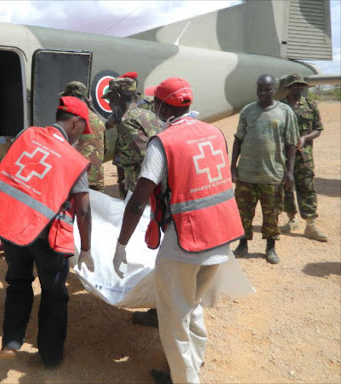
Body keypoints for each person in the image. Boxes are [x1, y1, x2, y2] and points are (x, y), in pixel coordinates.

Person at [113, 77, 244, 384]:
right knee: (192, 306)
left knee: (173, 315)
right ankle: (190, 367)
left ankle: (184, 380)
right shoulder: (214, 132)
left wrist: (121, 245)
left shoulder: (164, 142)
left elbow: (137, 201)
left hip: (186, 242)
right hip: (221, 236)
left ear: (160, 106)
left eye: (155, 103)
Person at [0, 96, 94, 368]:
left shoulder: (26, 135)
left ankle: (11, 343)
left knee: (18, 284)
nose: (80, 138)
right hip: (47, 239)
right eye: (81, 131)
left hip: (11, 228)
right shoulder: (72, 159)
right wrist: (86, 250)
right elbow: (84, 210)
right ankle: (51, 357)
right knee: (54, 294)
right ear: (75, 122)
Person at [103, 75, 162, 327]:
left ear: (117, 98)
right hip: (158, 190)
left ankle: (155, 305)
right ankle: (157, 303)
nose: (109, 106)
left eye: (111, 100)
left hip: (142, 191)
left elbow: (142, 157)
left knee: (143, 247)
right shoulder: (148, 114)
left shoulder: (128, 121)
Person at [231, 74, 299, 264]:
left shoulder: (285, 112)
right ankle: (242, 243)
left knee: (272, 214)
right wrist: (233, 167)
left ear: (274, 89)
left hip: (272, 175)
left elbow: (291, 144)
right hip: (246, 174)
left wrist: (290, 172)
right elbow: (238, 140)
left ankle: (270, 247)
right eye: (260, 89)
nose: (263, 92)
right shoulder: (247, 111)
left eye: (267, 89)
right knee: (243, 213)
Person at [279, 74, 328, 241]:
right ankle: (291, 219)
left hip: (304, 156)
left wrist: (305, 138)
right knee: (286, 187)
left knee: (307, 187)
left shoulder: (311, 105)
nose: (299, 88)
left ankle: (310, 225)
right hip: (284, 156)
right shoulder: (280, 107)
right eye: (295, 85)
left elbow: (318, 128)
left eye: (301, 85)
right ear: (288, 88)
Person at [60, 81, 106, 192]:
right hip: (97, 179)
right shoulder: (98, 119)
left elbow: (63, 149)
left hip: (79, 179)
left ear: (71, 96)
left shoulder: (71, 119)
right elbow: (105, 149)